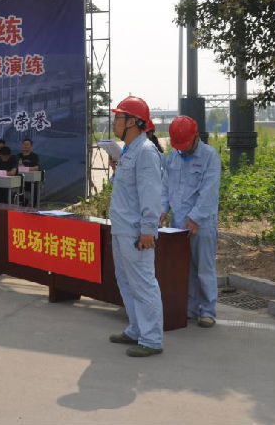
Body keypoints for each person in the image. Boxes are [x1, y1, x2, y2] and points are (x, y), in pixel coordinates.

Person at [108, 95, 165, 357]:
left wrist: (148, 230)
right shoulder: (129, 150)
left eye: (118, 117)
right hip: (122, 229)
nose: (115, 122)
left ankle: (151, 339)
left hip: (135, 232)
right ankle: (136, 329)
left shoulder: (145, 152)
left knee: (143, 284)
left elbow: (151, 195)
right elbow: (127, 189)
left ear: (132, 122)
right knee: (127, 282)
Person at [161, 115, 222, 329]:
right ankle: (188, 307)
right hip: (178, 223)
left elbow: (209, 192)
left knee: (203, 267)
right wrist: (162, 210)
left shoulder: (209, 157)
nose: (182, 149)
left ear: (195, 137)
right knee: (183, 268)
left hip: (202, 223)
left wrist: (195, 218)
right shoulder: (173, 157)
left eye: (185, 144)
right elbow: (165, 187)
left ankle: (207, 311)